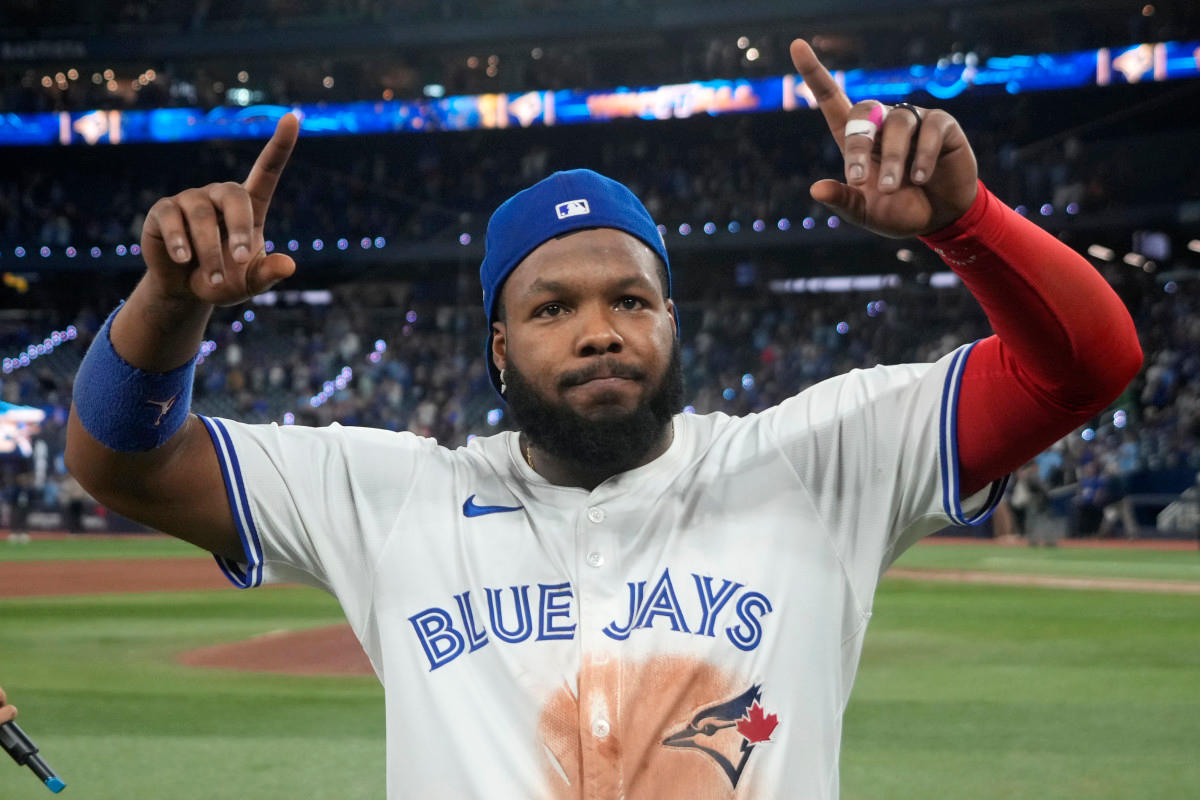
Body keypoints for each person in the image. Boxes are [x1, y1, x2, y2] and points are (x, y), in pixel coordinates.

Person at [63, 40, 1141, 799]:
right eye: (551, 307)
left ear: (671, 320)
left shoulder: (818, 459)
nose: (598, 330)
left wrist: (967, 221)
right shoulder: (395, 496)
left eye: (630, 299)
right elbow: (123, 460)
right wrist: (169, 301)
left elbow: (1088, 364)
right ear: (498, 345)